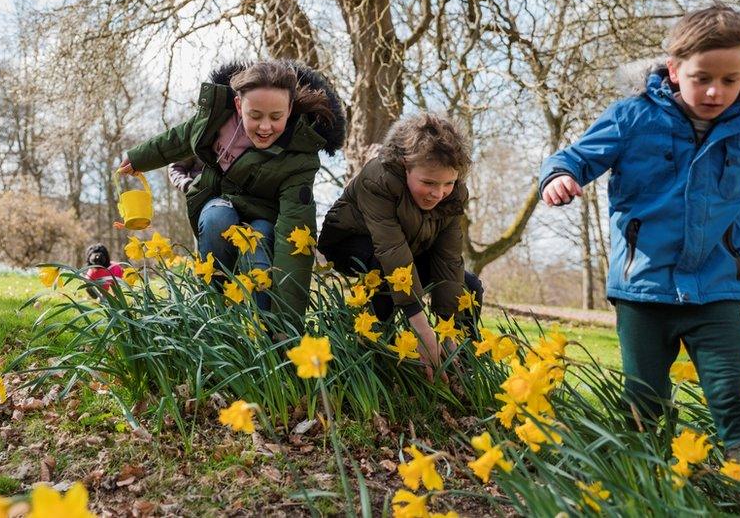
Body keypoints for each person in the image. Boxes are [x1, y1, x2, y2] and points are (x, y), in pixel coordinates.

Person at [539, 4, 740, 477]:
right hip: (644, 290)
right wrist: (559, 177)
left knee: (730, 392)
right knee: (644, 399)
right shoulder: (632, 117)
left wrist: (738, 230)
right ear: (675, 69)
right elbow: (575, 158)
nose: (715, 91)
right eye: (702, 78)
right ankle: (646, 487)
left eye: (730, 79)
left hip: (717, 290)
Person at [118, 60, 345, 323]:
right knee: (217, 218)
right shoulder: (218, 119)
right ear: (239, 105)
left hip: (267, 217)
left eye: (276, 117)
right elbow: (179, 138)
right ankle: (218, 315)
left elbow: (295, 236)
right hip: (219, 203)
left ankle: (265, 330)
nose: (264, 127)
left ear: (290, 108)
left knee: (258, 251)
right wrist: (137, 158)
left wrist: (288, 324)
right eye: (255, 115)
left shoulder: (300, 157)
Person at [318, 112, 483, 382]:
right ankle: (382, 365)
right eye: (429, 182)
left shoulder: (453, 197)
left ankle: (460, 370)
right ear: (405, 164)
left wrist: (447, 329)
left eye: (448, 183)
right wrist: (421, 328)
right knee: (383, 274)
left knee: (468, 286)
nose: (438, 193)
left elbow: (449, 260)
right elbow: (391, 251)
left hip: (408, 248)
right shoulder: (379, 179)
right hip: (353, 244)